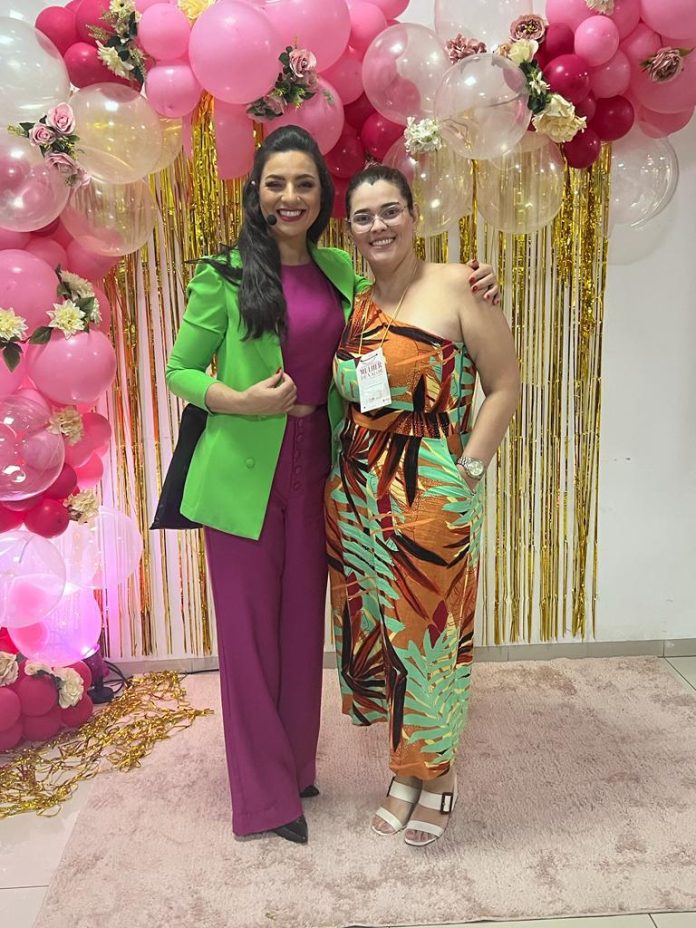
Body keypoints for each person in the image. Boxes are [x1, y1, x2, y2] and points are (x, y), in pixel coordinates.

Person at [165, 126, 499, 845]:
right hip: (241, 470)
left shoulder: (341, 269)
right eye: (275, 183)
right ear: (256, 192)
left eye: (305, 183)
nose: (289, 197)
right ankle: (263, 800)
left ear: (323, 198)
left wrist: (476, 282)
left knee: (300, 630)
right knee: (249, 639)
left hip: (327, 467)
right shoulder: (223, 274)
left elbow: (404, 309)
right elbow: (178, 371)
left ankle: (296, 769)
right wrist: (236, 399)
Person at [325, 164, 520, 847]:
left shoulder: (463, 284)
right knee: (385, 634)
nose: (378, 225)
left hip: (430, 489)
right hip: (357, 494)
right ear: (350, 230)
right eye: (363, 216)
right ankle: (404, 769)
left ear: (413, 215)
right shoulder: (354, 299)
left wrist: (469, 470)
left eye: (390, 211)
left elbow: (504, 385)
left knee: (429, 634)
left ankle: (437, 775)